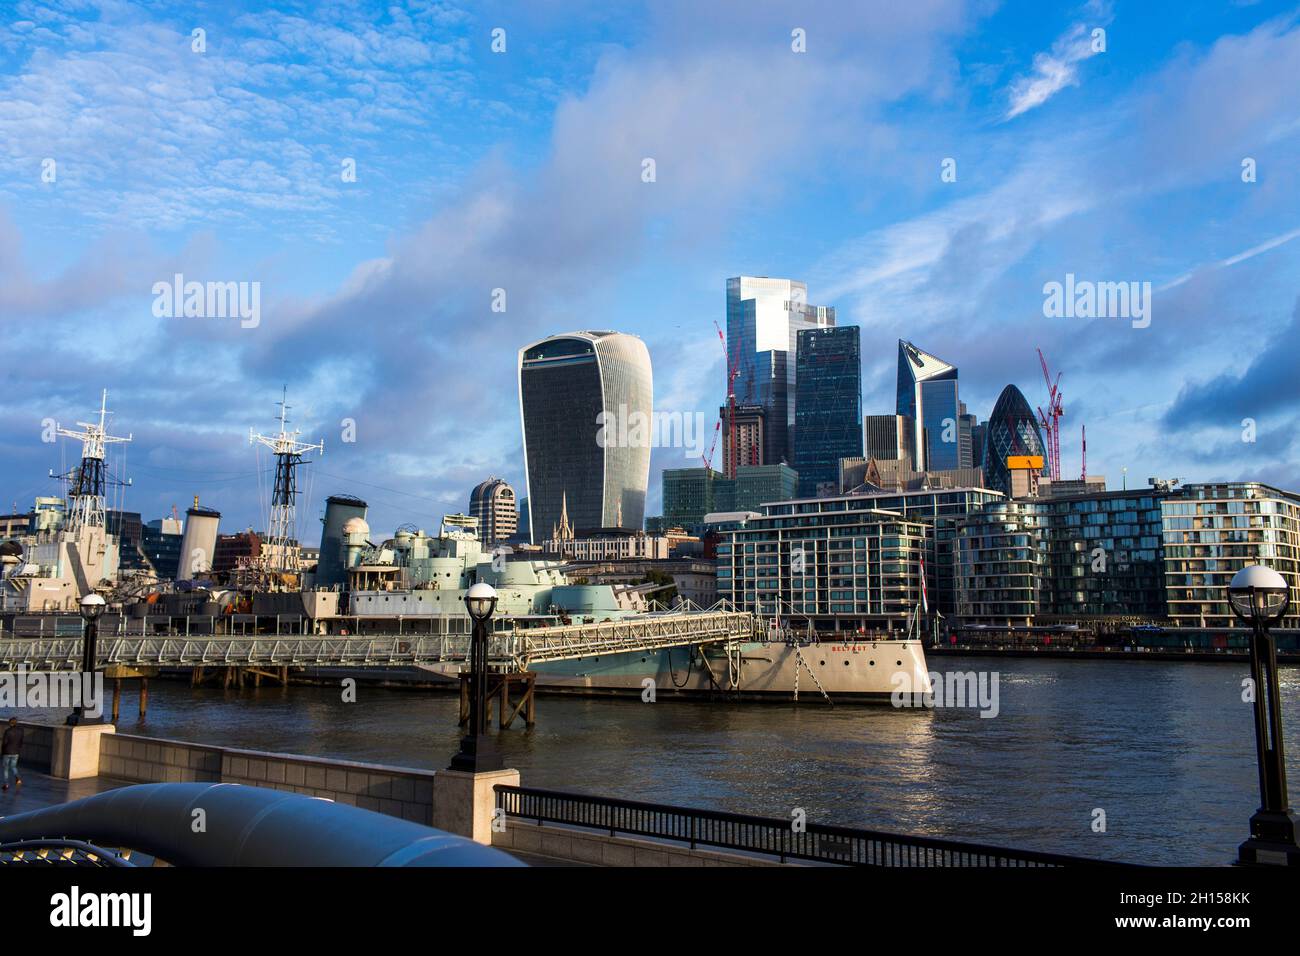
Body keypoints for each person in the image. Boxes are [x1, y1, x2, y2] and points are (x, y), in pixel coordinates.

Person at [1, 717, 22, 791]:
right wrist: (18, 750)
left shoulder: (8, 731)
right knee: (13, 766)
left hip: (7, 752)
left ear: (11, 723)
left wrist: (2, 752)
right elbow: (21, 742)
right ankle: (18, 778)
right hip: (16, 752)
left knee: (6, 768)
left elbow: (4, 743)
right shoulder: (20, 731)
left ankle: (6, 784)